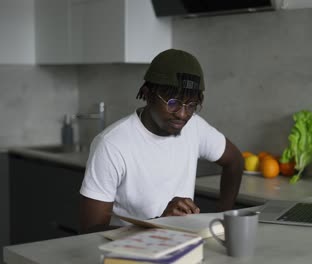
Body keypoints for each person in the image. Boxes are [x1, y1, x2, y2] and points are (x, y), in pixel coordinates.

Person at [79, 49, 243, 233]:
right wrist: (159, 223)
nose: (182, 114)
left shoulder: (195, 128)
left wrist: (222, 218)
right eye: (172, 102)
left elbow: (235, 161)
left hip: (181, 249)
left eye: (191, 105)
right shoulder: (111, 144)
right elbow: (89, 230)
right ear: (148, 94)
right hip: (129, 255)